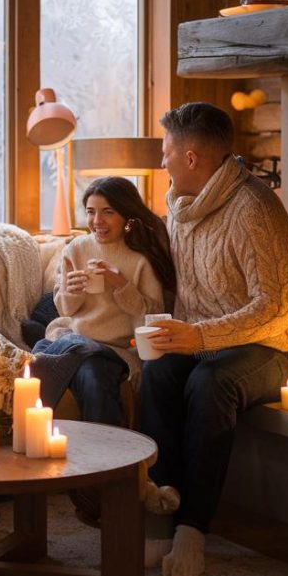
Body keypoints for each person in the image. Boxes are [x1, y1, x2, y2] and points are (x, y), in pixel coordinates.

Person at [142, 103, 288, 576]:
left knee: (209, 383)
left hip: (276, 347)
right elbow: (183, 290)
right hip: (205, 338)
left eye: (166, 152)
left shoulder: (256, 208)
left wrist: (199, 336)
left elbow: (279, 309)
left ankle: (193, 528)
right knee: (156, 372)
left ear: (192, 158)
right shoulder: (178, 208)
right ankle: (159, 512)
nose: (162, 162)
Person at [37, 176, 175, 426]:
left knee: (92, 376)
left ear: (125, 214)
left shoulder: (140, 258)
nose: (97, 221)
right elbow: (65, 309)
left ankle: (107, 459)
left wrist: (121, 284)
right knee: (80, 366)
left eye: (107, 212)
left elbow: (150, 319)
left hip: (117, 350)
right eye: (91, 212)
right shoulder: (76, 249)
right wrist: (72, 291)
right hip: (76, 340)